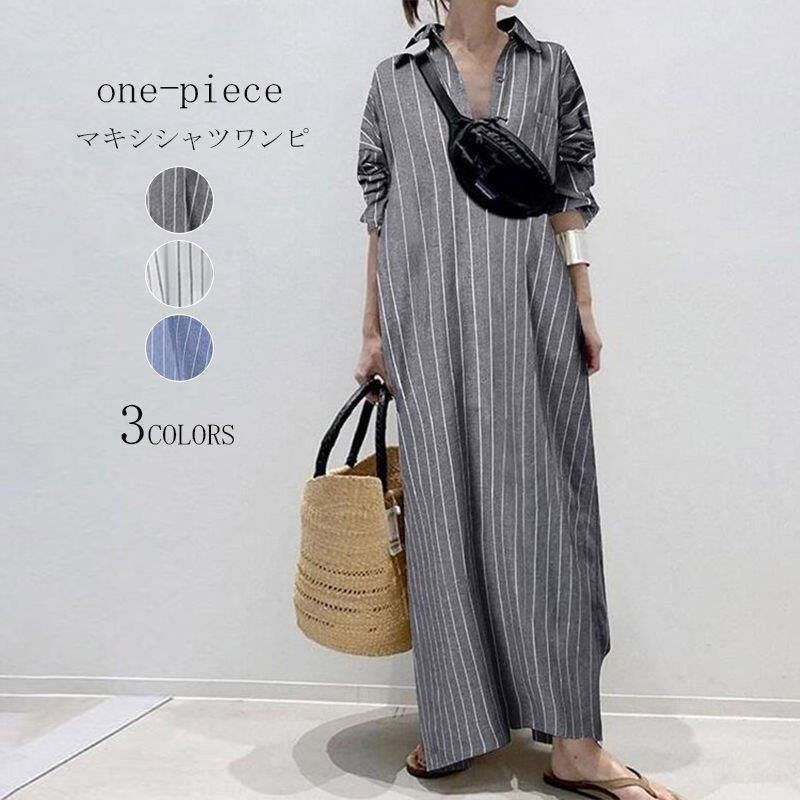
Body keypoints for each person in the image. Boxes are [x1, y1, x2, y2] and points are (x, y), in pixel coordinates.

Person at [354, 2, 682, 798]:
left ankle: (575, 744)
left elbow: (568, 189)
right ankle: (456, 720)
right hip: (426, 319)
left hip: (531, 308)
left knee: (549, 515)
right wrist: (371, 330)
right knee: (444, 514)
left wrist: (583, 300)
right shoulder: (393, 80)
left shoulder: (549, 66)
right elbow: (379, 213)